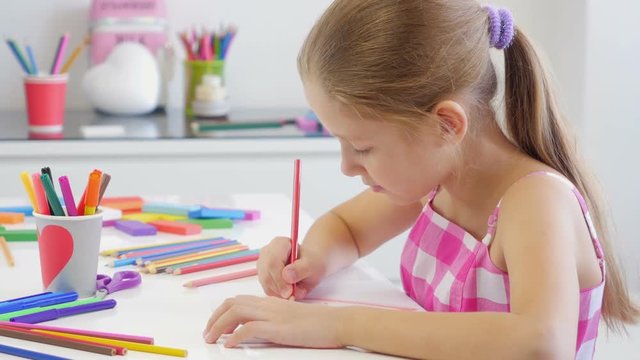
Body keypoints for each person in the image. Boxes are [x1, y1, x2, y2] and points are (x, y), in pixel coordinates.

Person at [202, 1, 639, 358]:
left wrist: (338, 323)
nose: (347, 167)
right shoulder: (439, 180)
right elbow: (348, 230)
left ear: (446, 125)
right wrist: (311, 260)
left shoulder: (535, 202)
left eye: (363, 147)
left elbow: (540, 342)